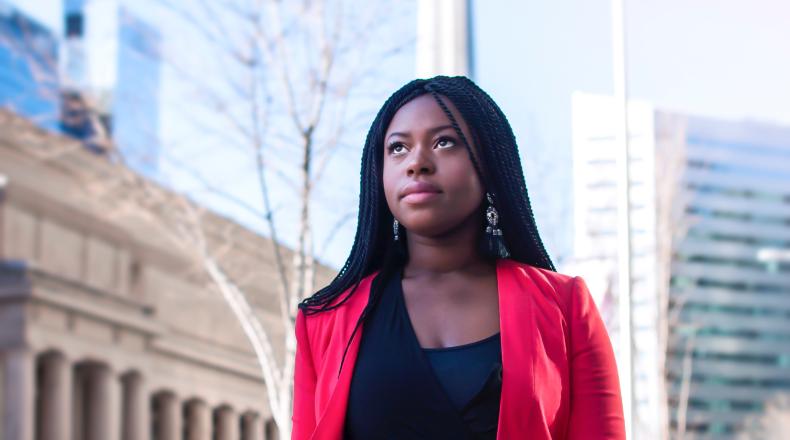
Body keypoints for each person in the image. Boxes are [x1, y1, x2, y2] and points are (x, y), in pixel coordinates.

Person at [291, 76, 625, 439]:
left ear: (489, 163)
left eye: (444, 142)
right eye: (398, 148)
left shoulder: (565, 307)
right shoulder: (323, 321)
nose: (416, 162)